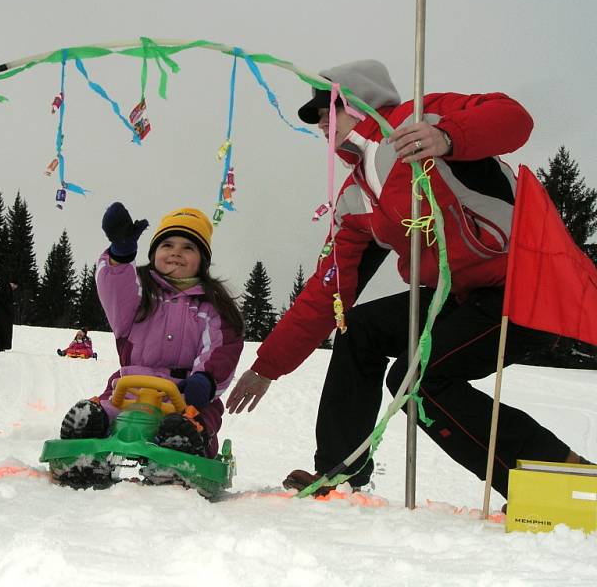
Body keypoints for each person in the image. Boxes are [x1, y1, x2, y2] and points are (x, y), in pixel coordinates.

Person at [226, 59, 589, 498]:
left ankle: (560, 480)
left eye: (329, 108)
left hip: (525, 286)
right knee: (359, 331)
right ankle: (341, 471)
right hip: (455, 296)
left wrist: (449, 137)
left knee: (416, 381)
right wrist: (270, 366)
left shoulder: (422, 122)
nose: (321, 121)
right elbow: (329, 291)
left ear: (361, 103)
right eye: (316, 116)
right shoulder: (357, 196)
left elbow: (514, 118)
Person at [56, 203, 244, 486]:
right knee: (103, 414)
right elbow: (115, 292)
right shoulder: (140, 295)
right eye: (167, 244)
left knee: (191, 424)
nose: (176, 253)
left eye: (188, 248)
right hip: (128, 390)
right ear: (154, 252)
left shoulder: (211, 307)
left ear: (202, 260)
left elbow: (221, 348)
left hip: (186, 396)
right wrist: (120, 256)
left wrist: (205, 380)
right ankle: (84, 448)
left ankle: (181, 450)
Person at [0, 280, 17, 352]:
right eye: (15, 286)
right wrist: (11, 312)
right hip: (4, 313)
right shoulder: (7, 290)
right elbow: (7, 302)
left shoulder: (1, 288)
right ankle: (2, 345)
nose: (15, 288)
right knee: (3, 329)